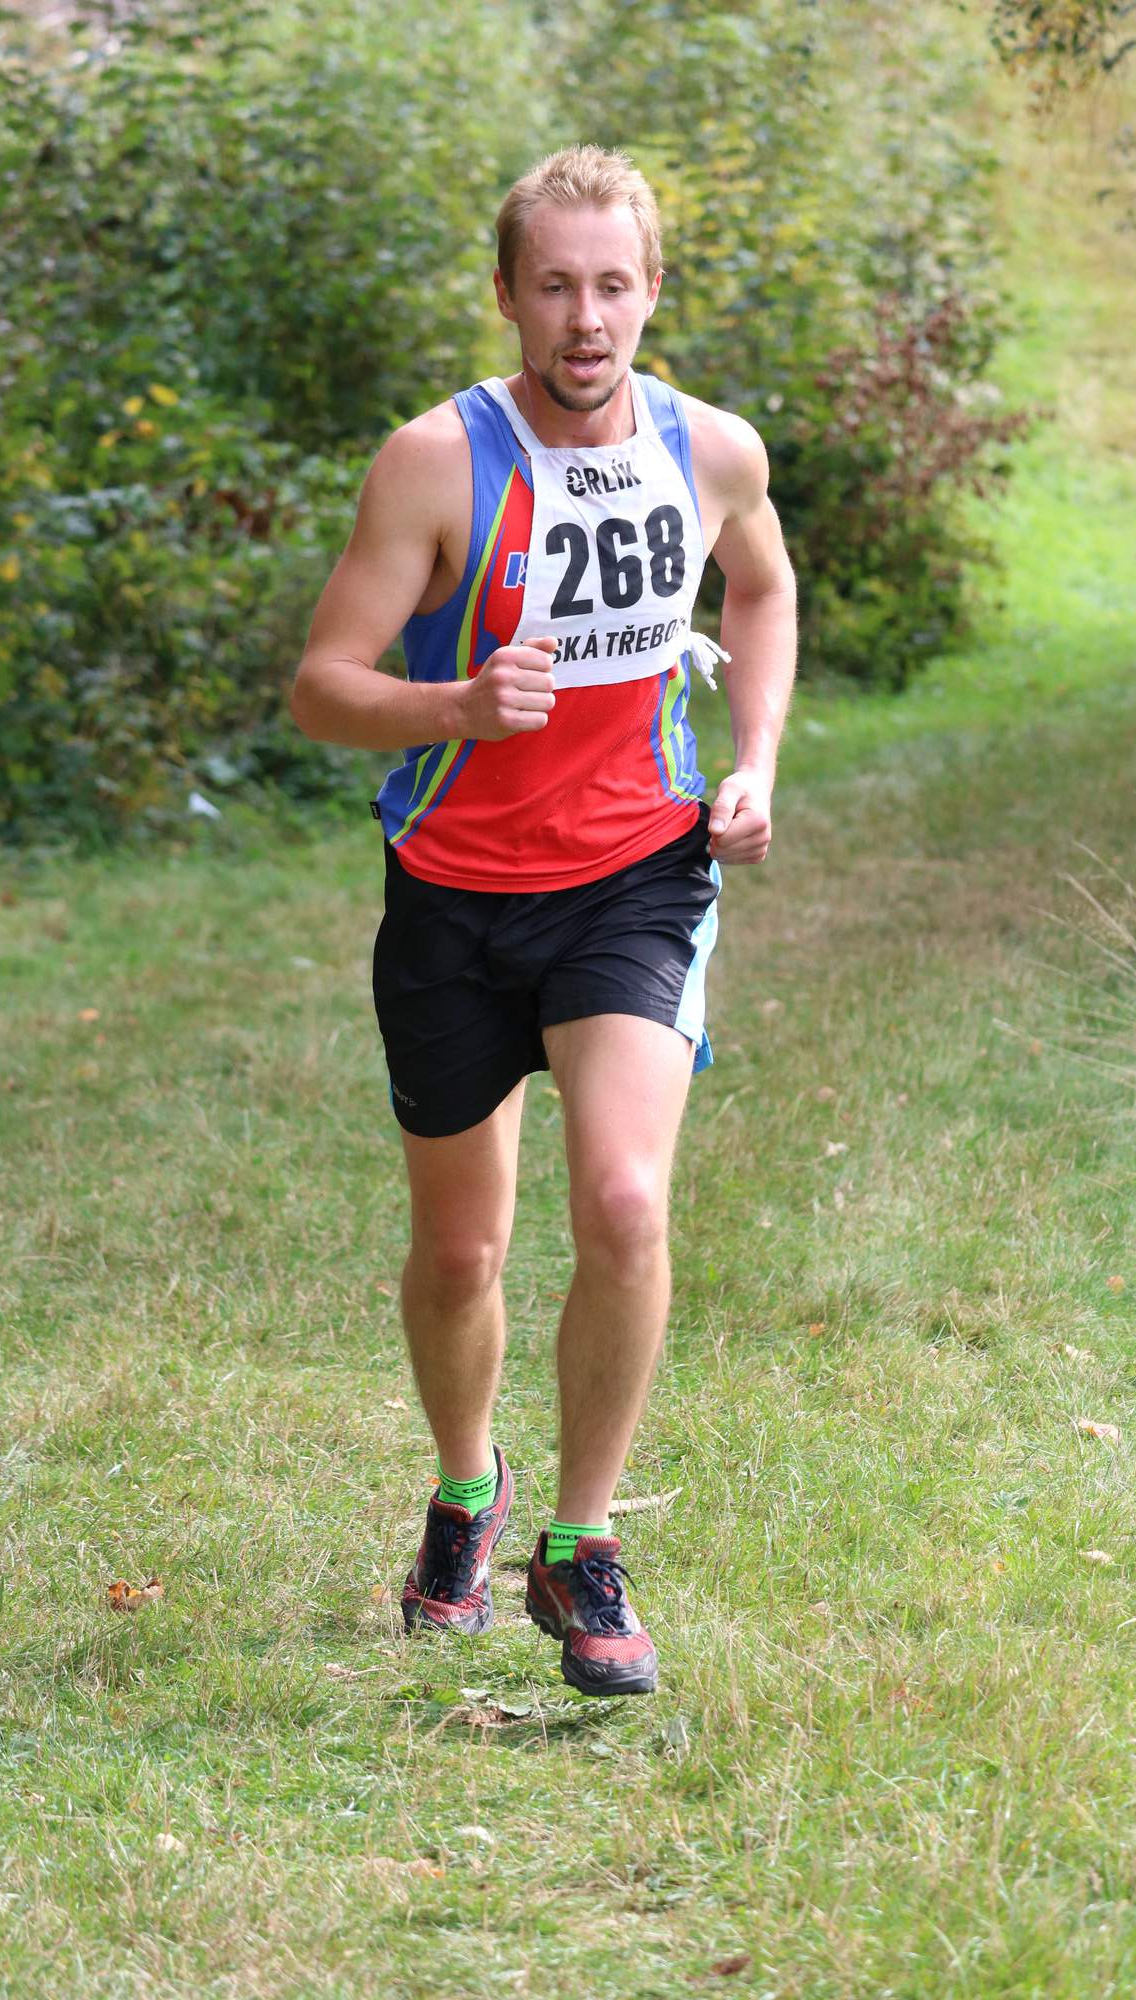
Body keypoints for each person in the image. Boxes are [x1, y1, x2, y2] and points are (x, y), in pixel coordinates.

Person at [290, 146, 796, 1697]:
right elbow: (322, 689)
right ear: (508, 294)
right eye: (557, 286)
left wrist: (753, 761)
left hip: (634, 876)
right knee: (461, 1254)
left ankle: (580, 1546)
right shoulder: (434, 462)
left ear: (651, 290)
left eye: (613, 285)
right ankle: (466, 1487)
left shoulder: (711, 451)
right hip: (452, 893)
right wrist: (451, 703)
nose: (587, 318)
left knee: (625, 1203)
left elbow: (759, 591)